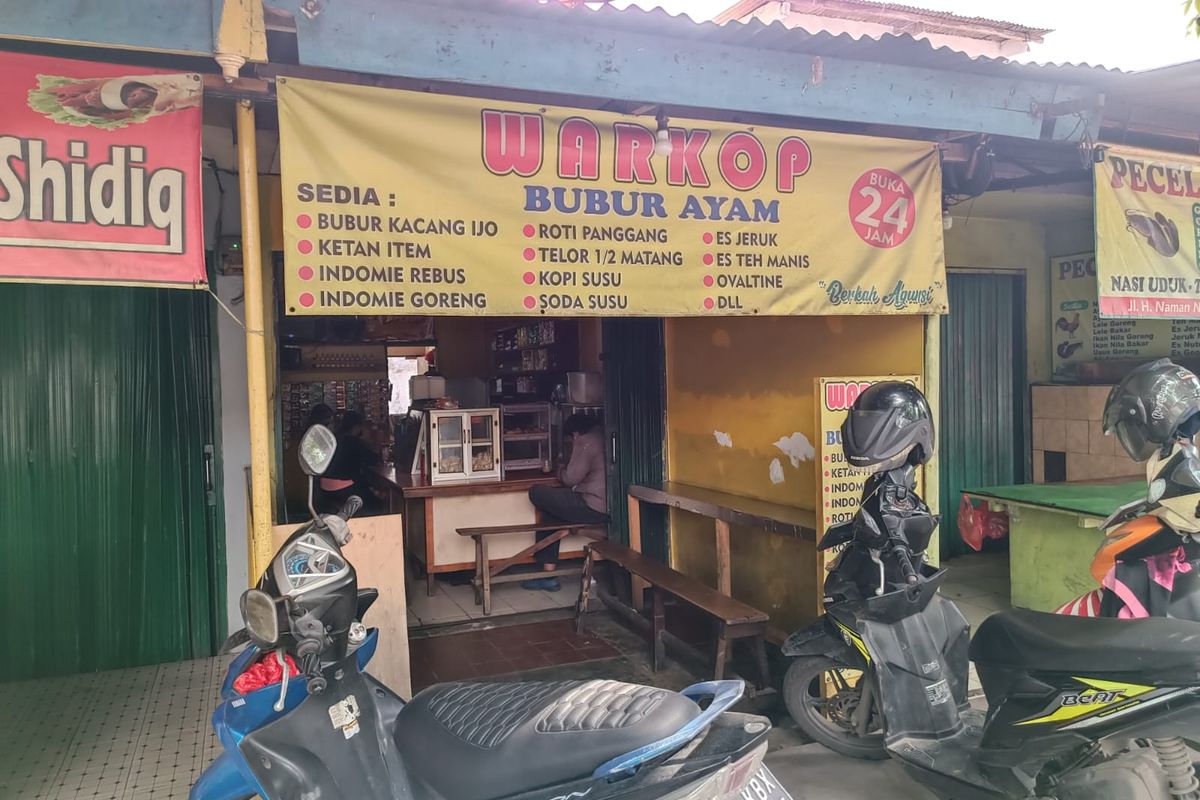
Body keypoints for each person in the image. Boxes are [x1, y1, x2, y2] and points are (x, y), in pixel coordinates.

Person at [523, 413, 608, 592]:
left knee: (536, 492)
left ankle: (547, 575)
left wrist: (560, 469)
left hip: (591, 505)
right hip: (606, 505)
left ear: (575, 434)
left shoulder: (585, 441)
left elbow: (570, 478)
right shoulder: (603, 435)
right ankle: (548, 574)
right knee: (551, 511)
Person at [318, 410, 385, 513]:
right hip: (343, 489)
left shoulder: (333, 438)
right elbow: (375, 460)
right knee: (379, 504)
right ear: (357, 427)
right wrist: (376, 439)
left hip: (323, 488)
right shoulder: (355, 442)